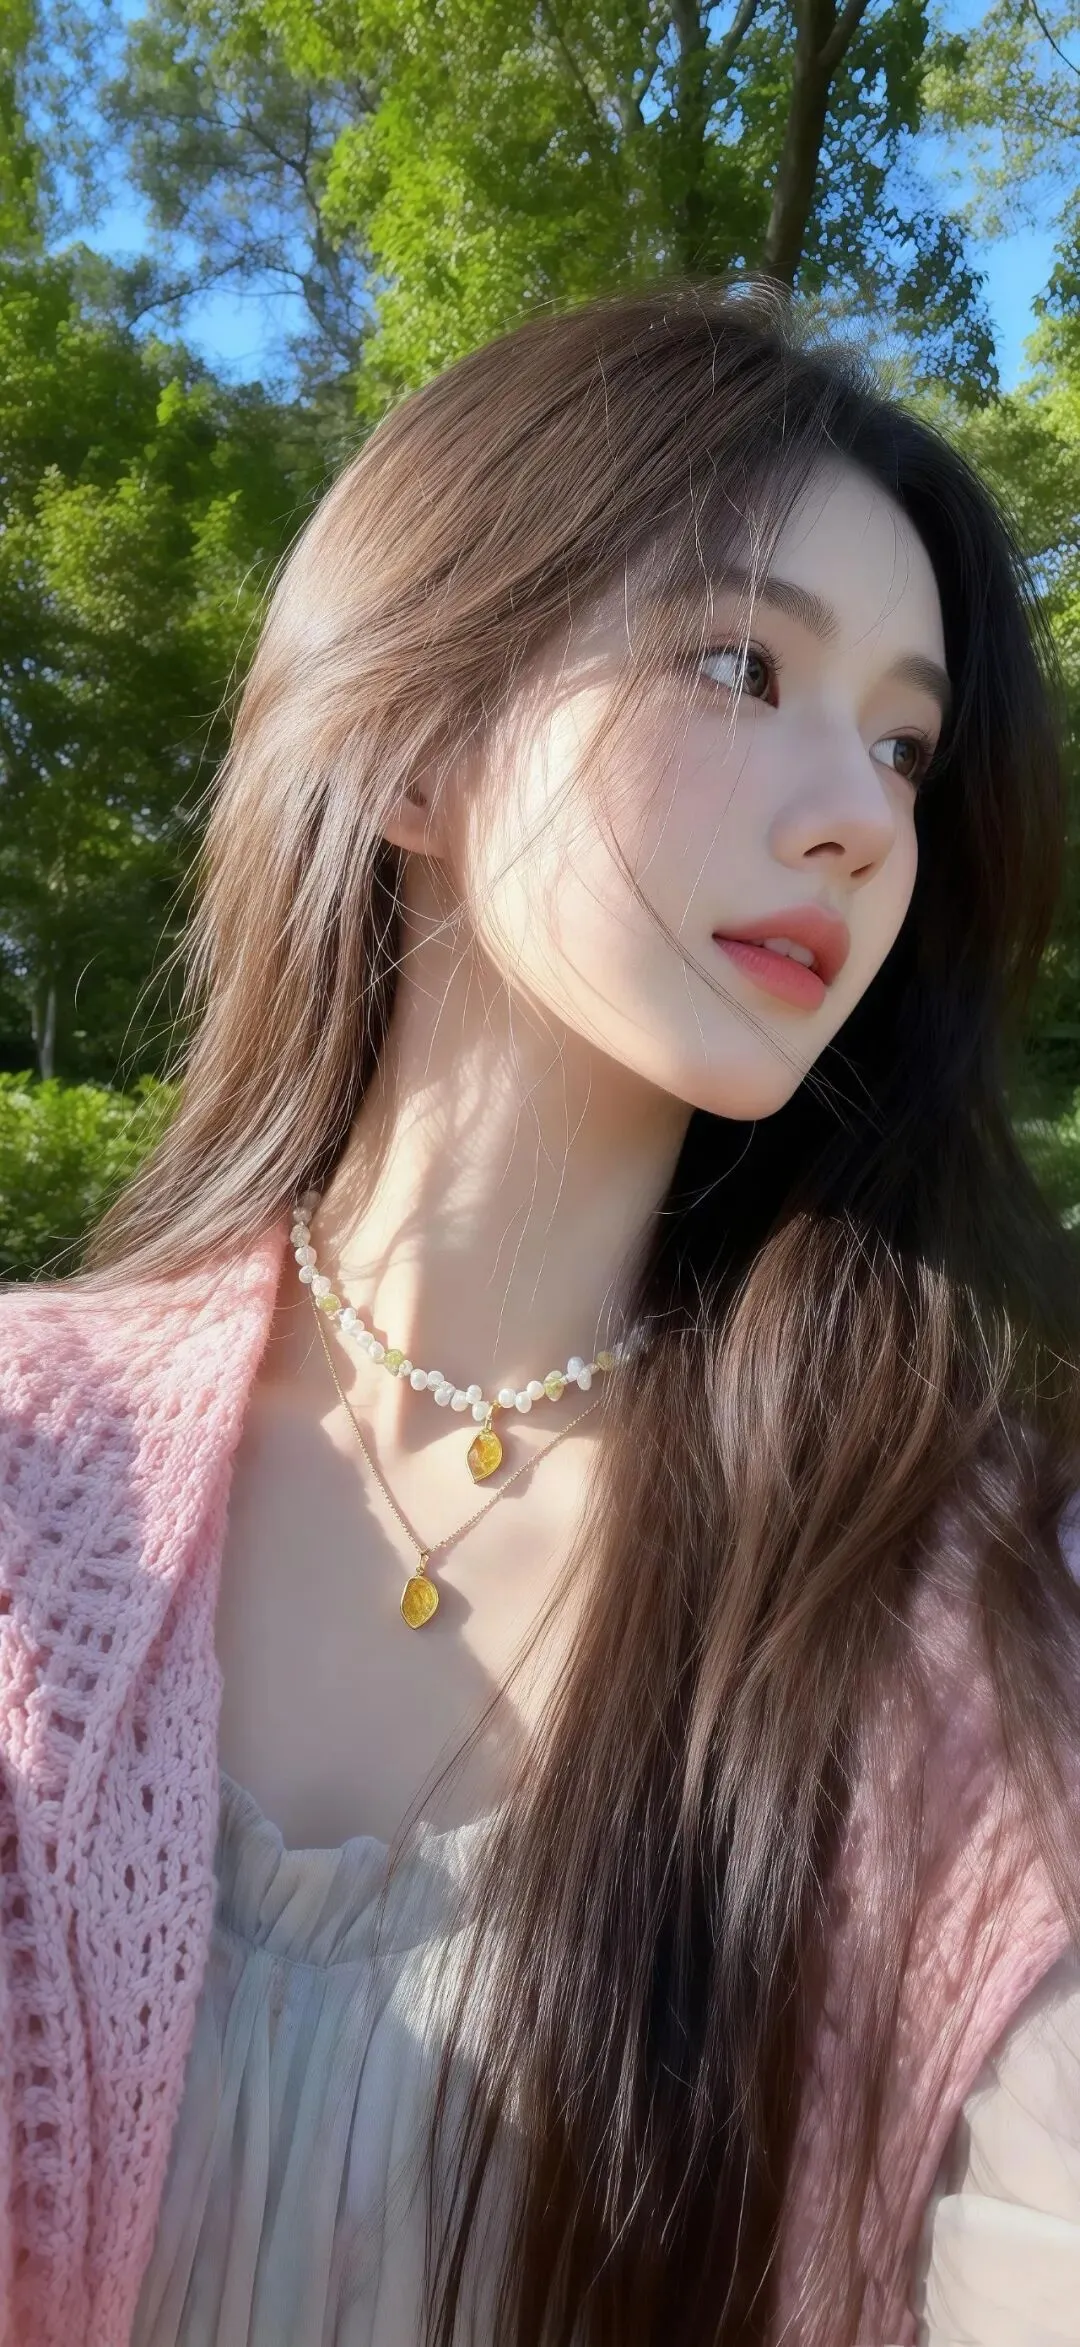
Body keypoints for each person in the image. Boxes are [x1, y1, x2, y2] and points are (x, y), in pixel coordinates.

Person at [2, 275, 1080, 2347]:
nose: (866, 816)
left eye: (906, 744)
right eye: (742, 663)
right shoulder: (34, 1470)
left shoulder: (963, 1603)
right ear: (416, 740)